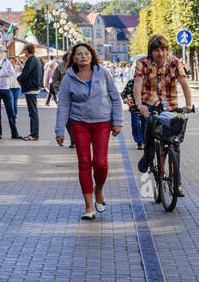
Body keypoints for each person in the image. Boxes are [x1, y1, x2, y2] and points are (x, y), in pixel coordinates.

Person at [54, 42, 123, 220]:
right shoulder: (69, 78)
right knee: (84, 163)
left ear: (92, 56)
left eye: (86, 53)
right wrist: (59, 130)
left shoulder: (103, 73)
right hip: (79, 123)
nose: (83, 56)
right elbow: (63, 105)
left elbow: (115, 98)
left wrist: (118, 122)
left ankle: (98, 190)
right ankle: (89, 206)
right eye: (79, 54)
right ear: (74, 58)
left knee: (101, 163)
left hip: (102, 123)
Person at [134, 35, 194, 191]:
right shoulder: (142, 63)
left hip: (170, 105)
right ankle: (148, 156)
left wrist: (188, 104)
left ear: (167, 50)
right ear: (151, 51)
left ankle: (177, 181)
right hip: (150, 103)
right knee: (149, 123)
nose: (160, 53)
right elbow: (138, 83)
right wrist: (139, 105)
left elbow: (184, 84)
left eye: (163, 49)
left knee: (175, 143)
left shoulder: (174, 63)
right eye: (156, 50)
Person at [0, 48, 19, 139]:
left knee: (10, 112)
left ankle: (14, 133)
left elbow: (12, 73)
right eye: (0, 52)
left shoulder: (7, 62)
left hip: (6, 88)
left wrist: (0, 71)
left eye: (3, 52)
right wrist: (5, 71)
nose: (2, 54)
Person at [18, 43, 44, 140]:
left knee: (32, 112)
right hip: (35, 87)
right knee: (33, 112)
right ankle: (34, 134)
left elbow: (25, 74)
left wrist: (18, 78)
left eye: (24, 50)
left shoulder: (30, 61)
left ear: (27, 50)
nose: (24, 52)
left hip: (31, 88)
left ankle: (34, 134)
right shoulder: (37, 60)